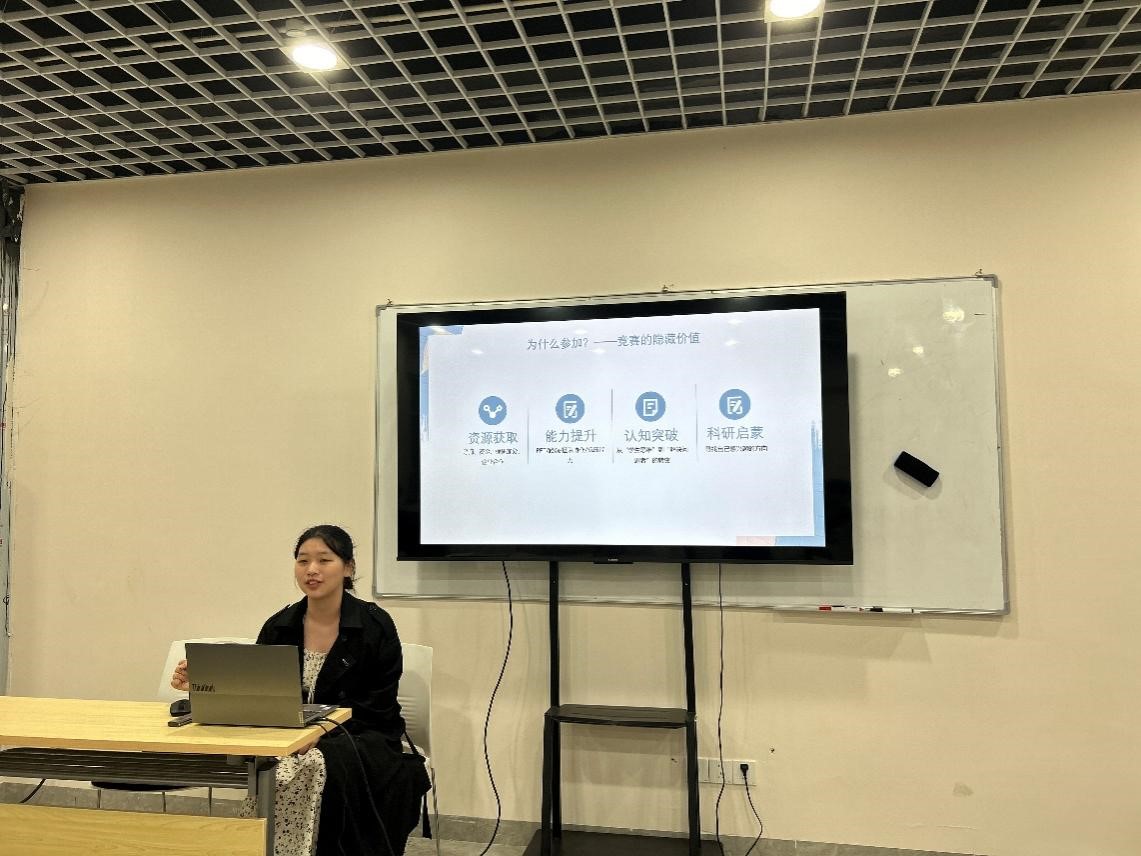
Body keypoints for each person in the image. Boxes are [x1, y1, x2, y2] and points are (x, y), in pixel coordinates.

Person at [171, 525, 429, 856]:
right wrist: (200, 685)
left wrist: (319, 733)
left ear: (348, 568)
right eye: (303, 560)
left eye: (324, 560)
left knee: (308, 765)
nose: (312, 570)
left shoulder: (374, 626)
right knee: (279, 764)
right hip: (287, 735)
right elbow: (255, 693)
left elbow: (377, 706)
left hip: (361, 735)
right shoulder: (280, 625)